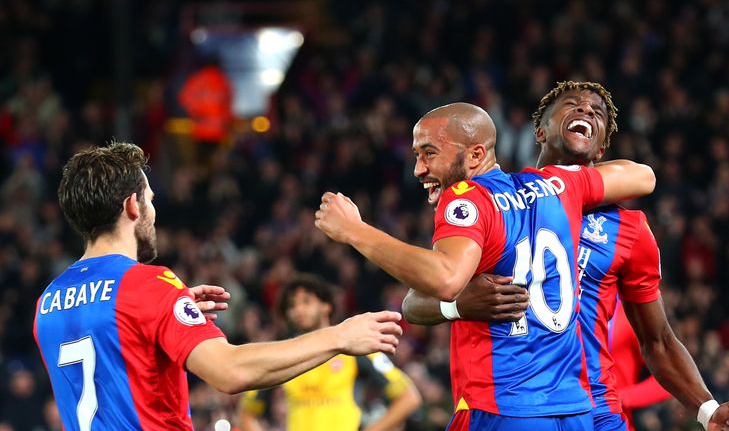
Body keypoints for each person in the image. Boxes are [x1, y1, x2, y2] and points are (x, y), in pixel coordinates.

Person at [400, 81, 729, 431]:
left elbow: (658, 339)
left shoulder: (630, 230)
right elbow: (416, 302)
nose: (585, 110)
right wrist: (458, 305)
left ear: (601, 151)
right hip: (511, 406)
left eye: (597, 112)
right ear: (539, 131)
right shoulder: (493, 199)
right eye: (571, 104)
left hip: (596, 411)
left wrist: (707, 409)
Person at [315, 101, 656, 430]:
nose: (418, 169)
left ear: (476, 154)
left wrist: (355, 232)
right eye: (417, 155)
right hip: (574, 409)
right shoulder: (558, 185)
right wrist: (457, 306)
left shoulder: (467, 196)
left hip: (504, 405)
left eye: (429, 153)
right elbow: (642, 178)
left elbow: (445, 278)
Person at [33, 142, 403, 430]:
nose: (153, 211)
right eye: (150, 200)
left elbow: (111, 355)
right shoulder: (146, 285)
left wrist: (161, 315)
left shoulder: (48, 300)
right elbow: (231, 372)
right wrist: (338, 336)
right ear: (133, 206)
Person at [238, 274, 422, 431]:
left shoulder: (354, 348)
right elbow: (246, 413)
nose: (298, 310)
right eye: (291, 305)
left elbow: (408, 397)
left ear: (327, 306)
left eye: (306, 301)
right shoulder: (283, 354)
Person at [610, 300, 672, 431]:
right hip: (565, 416)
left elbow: (670, 378)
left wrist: (621, 396)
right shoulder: (569, 307)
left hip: (614, 422)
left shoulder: (631, 314)